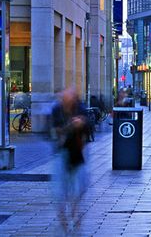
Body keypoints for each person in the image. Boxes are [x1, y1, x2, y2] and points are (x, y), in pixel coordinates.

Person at [50, 88, 91, 233]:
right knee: (59, 192)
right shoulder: (56, 110)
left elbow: (89, 130)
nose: (67, 101)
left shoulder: (81, 109)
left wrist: (83, 123)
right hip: (61, 153)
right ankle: (64, 223)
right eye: (65, 98)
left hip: (78, 154)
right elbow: (54, 131)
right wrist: (70, 126)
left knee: (79, 187)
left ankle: (75, 211)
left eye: (70, 98)